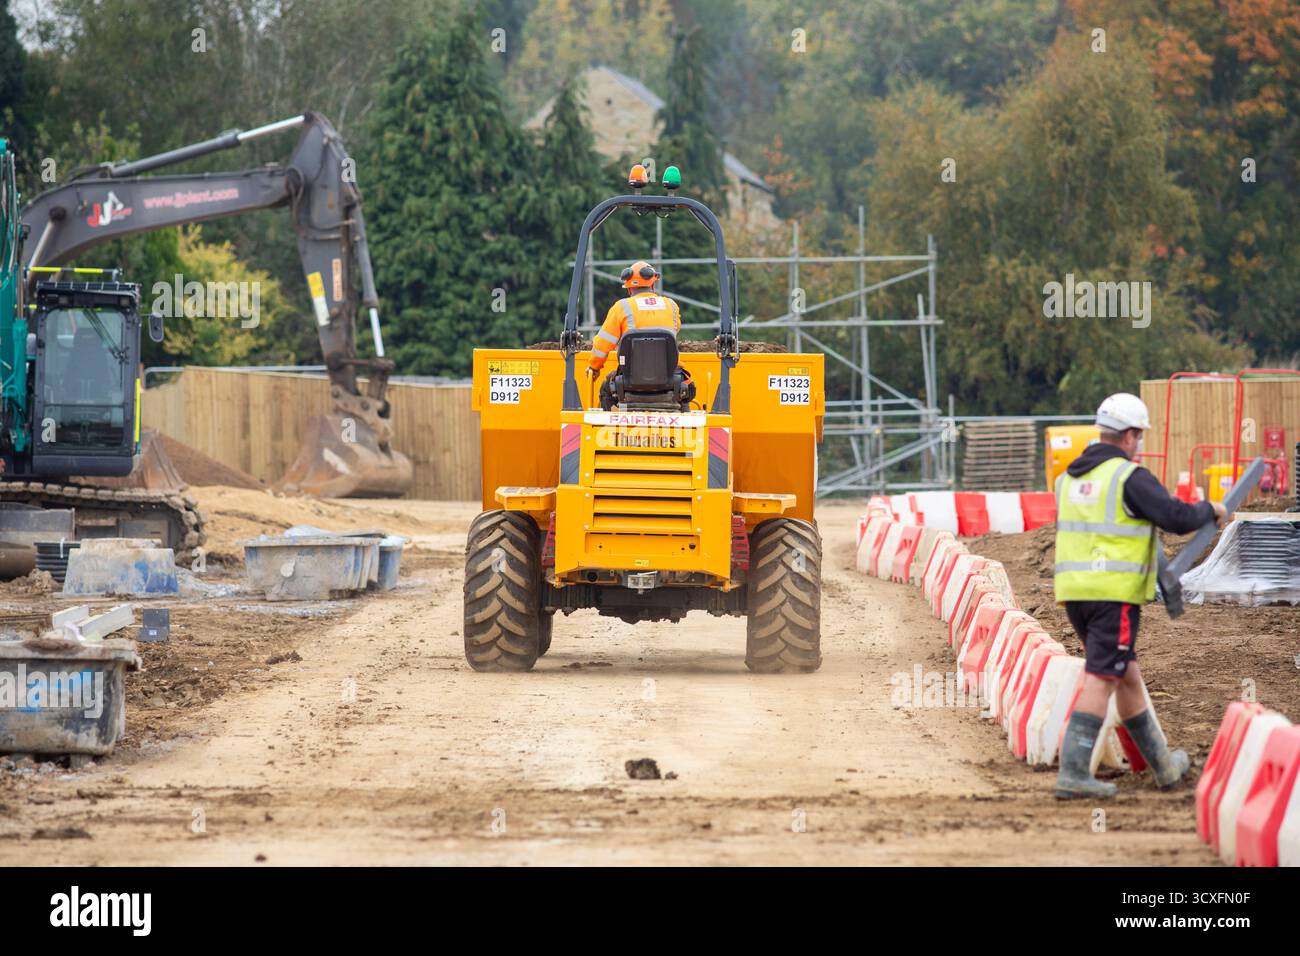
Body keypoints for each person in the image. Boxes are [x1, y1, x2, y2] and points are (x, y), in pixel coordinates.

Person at [1054, 392, 1225, 799]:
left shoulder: (1071, 478)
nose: (1140, 444)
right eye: (1140, 436)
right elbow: (1174, 516)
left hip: (1075, 594)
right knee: (1103, 676)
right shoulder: (1129, 477)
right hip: (1113, 595)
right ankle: (1074, 773)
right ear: (1129, 436)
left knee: (1124, 672)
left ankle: (1164, 766)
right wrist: (1211, 510)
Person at [586, 260, 681, 378]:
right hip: (669, 376)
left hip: (631, 379)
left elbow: (602, 344)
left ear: (629, 289)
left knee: (606, 390)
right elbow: (674, 330)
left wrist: (594, 367)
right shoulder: (671, 305)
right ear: (652, 285)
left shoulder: (621, 307)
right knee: (687, 387)